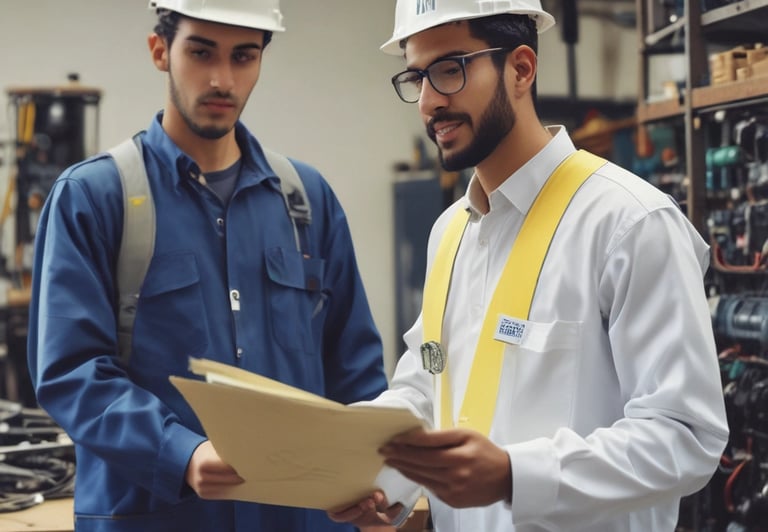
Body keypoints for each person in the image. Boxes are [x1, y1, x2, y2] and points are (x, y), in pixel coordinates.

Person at [329, 1, 730, 531]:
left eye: (449, 70)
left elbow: (685, 434)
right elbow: (427, 389)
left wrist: (517, 475)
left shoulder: (628, 223)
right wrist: (366, 473)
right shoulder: (450, 232)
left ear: (521, 68)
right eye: (416, 77)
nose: (428, 102)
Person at [26, 1, 391, 531]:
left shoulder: (306, 201)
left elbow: (356, 371)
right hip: (155, 517)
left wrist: (372, 478)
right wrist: (181, 452)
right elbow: (70, 371)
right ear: (160, 52)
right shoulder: (92, 197)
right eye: (201, 52)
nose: (222, 78)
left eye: (243, 56)